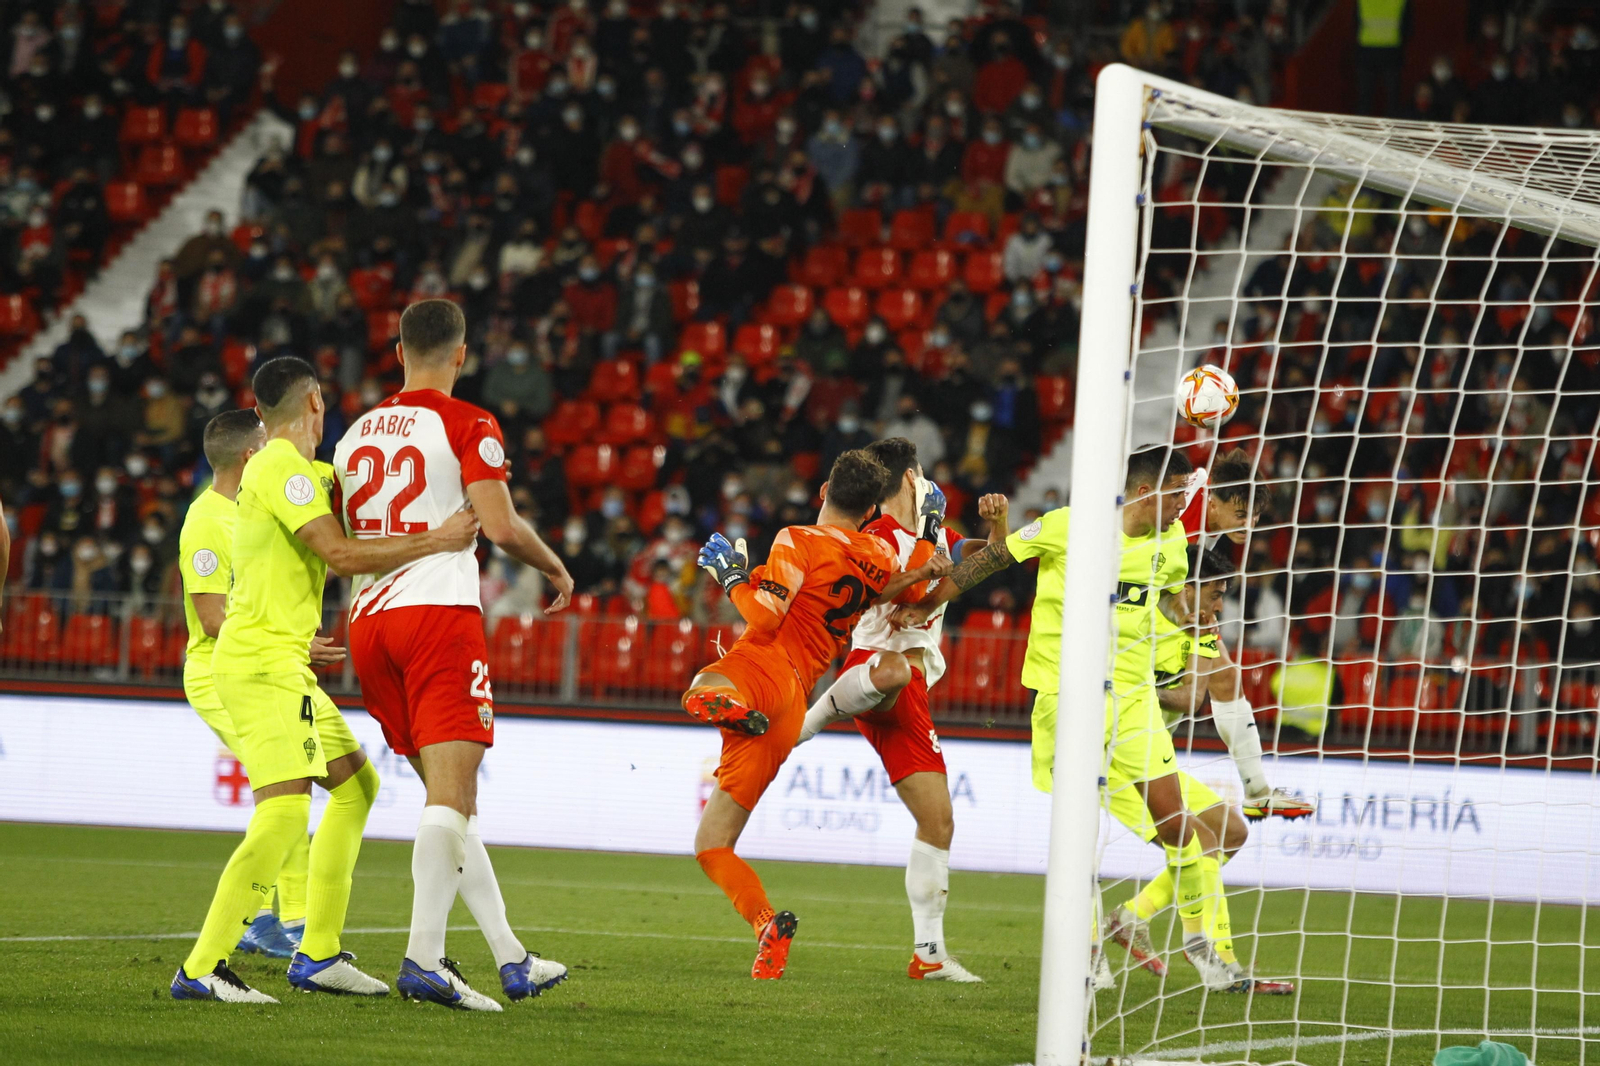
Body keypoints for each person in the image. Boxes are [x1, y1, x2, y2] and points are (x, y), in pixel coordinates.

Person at [172, 355, 480, 1004]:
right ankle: (203, 966)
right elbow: (337, 554)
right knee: (283, 813)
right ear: (315, 402)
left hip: (283, 661)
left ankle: (318, 953)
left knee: (356, 787)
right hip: (260, 667)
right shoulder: (280, 465)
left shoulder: (298, 470)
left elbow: (334, 494)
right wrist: (439, 539)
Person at [895, 446, 1241, 990]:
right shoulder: (1068, 527)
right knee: (1078, 835)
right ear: (1147, 491)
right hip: (1066, 697)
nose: (1184, 506)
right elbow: (992, 560)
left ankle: (1202, 951)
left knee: (1181, 827)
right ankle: (1086, 953)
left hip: (1132, 698)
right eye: (1178, 494)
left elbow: (1172, 601)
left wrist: (1194, 625)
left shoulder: (1172, 544)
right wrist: (926, 604)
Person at [334, 299, 575, 1010]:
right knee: (452, 798)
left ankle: (511, 957)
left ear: (398, 349)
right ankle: (424, 959)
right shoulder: (468, 422)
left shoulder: (352, 436)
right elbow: (497, 524)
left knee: (452, 803)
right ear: (461, 355)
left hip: (369, 624)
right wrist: (557, 569)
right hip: (437, 613)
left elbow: (344, 539)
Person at [683, 449, 948, 979]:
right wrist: (930, 527)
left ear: (823, 492)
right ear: (872, 510)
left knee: (698, 690)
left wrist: (733, 575)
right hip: (794, 700)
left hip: (761, 666)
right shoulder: (877, 551)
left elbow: (763, 616)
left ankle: (722, 705)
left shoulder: (797, 539)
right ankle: (766, 927)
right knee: (712, 841)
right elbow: (910, 586)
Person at [795, 437, 1004, 982]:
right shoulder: (881, 536)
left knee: (938, 821)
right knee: (895, 669)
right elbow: (910, 599)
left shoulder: (929, 533)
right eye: (922, 472)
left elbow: (990, 559)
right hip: (873, 668)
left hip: (910, 689)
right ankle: (812, 719)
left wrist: (1002, 527)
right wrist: (936, 556)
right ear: (911, 478)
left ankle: (929, 954)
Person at [177, 410, 343, 960]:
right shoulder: (206, 522)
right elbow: (210, 617)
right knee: (287, 787)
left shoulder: (252, 507)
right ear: (252, 457)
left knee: (292, 786)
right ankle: (282, 919)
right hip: (220, 669)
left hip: (268, 659)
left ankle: (274, 916)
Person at [1101, 544, 1299, 994]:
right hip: (1110, 756)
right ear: (1184, 588)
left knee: (1232, 831)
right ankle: (1222, 968)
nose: (1218, 606)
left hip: (1150, 755)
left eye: (1222, 596)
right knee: (1200, 838)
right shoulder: (1138, 623)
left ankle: (1130, 918)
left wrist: (1147, 689)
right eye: (1213, 594)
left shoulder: (1202, 631)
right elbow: (1179, 695)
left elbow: (1195, 697)